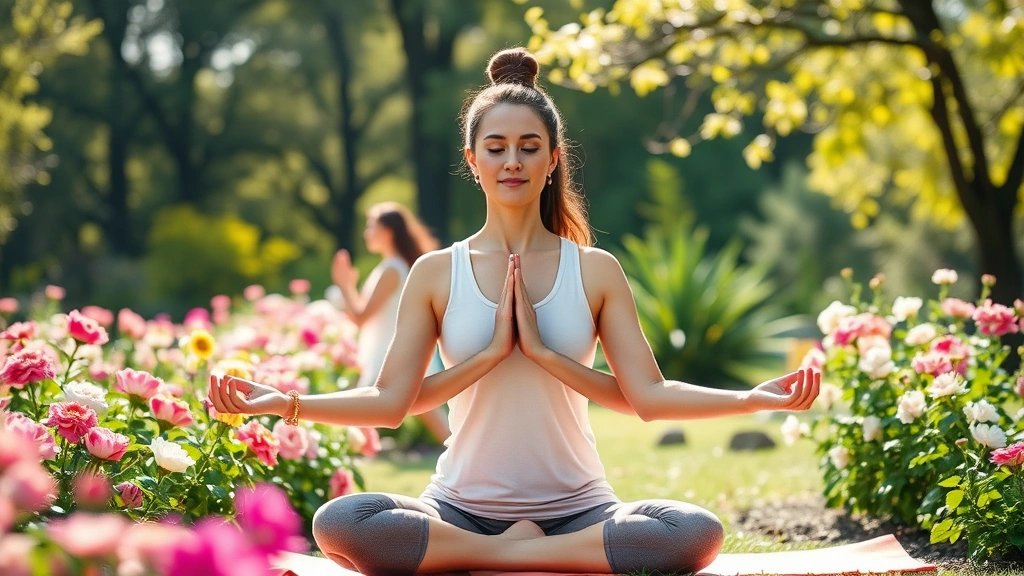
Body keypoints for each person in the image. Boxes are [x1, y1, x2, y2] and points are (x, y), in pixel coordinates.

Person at [209, 47, 821, 575]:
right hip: (458, 506)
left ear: (553, 158)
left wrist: (750, 399)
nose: (512, 162)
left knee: (692, 532)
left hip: (581, 508)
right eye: (496, 148)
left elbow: (646, 396)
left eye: (529, 148)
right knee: (343, 520)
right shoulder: (436, 273)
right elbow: (393, 403)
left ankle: (487, 556)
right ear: (471, 159)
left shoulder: (595, 270)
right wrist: (284, 402)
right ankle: (514, 551)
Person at [329, 201, 451, 444]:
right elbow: (361, 315)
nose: (366, 233)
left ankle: (353, 453)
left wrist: (344, 284)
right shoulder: (390, 267)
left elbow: (361, 317)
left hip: (388, 353)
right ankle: (461, 449)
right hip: (387, 349)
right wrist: (348, 287)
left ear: (388, 231)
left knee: (364, 408)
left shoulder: (392, 270)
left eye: (371, 226)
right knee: (417, 408)